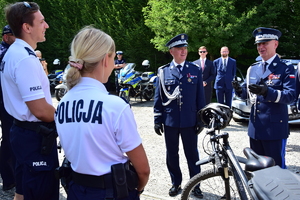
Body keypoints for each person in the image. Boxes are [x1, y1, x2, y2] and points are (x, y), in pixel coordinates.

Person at [55, 26, 150, 200]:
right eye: (113, 58)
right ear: (106, 59)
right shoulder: (115, 106)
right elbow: (143, 169)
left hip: (76, 190)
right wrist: (138, 190)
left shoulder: (63, 104)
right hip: (113, 192)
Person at [1, 2, 59, 200]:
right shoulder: (25, 58)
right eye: (41, 22)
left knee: (23, 191)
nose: (47, 26)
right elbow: (40, 110)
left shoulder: (14, 52)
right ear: (27, 27)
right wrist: (64, 118)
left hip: (22, 133)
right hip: (35, 138)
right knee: (41, 191)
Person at [232, 27, 296, 168]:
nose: (261, 47)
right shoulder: (253, 68)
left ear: (275, 44)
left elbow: (290, 96)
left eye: (265, 43)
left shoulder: (286, 68)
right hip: (255, 127)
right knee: (257, 169)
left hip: (274, 129)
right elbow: (248, 95)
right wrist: (239, 90)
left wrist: (268, 92)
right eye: (258, 44)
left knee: (276, 169)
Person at [153, 33, 205, 198]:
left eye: (185, 48)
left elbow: (200, 97)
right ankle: (176, 183)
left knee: (192, 154)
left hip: (190, 121)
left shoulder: (195, 70)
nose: (183, 51)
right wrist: (157, 119)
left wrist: (201, 119)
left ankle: (195, 184)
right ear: (171, 52)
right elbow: (158, 97)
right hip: (170, 120)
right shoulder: (163, 72)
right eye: (179, 48)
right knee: (172, 153)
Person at [0, 24, 16, 191]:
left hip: (5, 100)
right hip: (3, 101)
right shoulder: (6, 53)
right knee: (9, 139)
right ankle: (9, 178)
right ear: (6, 37)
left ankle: (9, 178)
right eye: (14, 35)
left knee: (8, 138)